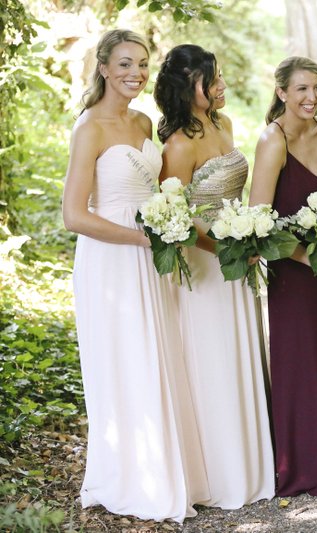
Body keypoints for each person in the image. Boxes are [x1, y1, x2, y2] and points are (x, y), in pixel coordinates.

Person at [62, 29, 207, 522]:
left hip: (153, 255)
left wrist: (167, 228)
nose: (136, 73)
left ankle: (162, 469)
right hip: (111, 259)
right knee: (122, 360)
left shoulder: (144, 121)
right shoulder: (91, 128)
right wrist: (143, 238)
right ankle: (129, 477)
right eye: (125, 63)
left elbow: (163, 190)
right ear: (103, 67)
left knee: (157, 356)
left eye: (142, 64)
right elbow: (74, 215)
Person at [154, 44, 274, 508]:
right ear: (190, 87)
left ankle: (254, 464)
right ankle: (222, 475)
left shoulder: (224, 124)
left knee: (243, 350)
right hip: (207, 265)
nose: (221, 85)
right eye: (212, 79)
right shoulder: (178, 145)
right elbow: (177, 219)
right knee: (214, 358)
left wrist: (248, 242)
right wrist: (227, 250)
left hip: (239, 256)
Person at [249, 56, 317, 497]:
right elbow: (257, 224)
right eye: (301, 90)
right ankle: (308, 467)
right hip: (295, 274)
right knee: (305, 366)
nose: (311, 97)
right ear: (281, 93)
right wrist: (309, 257)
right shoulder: (272, 142)